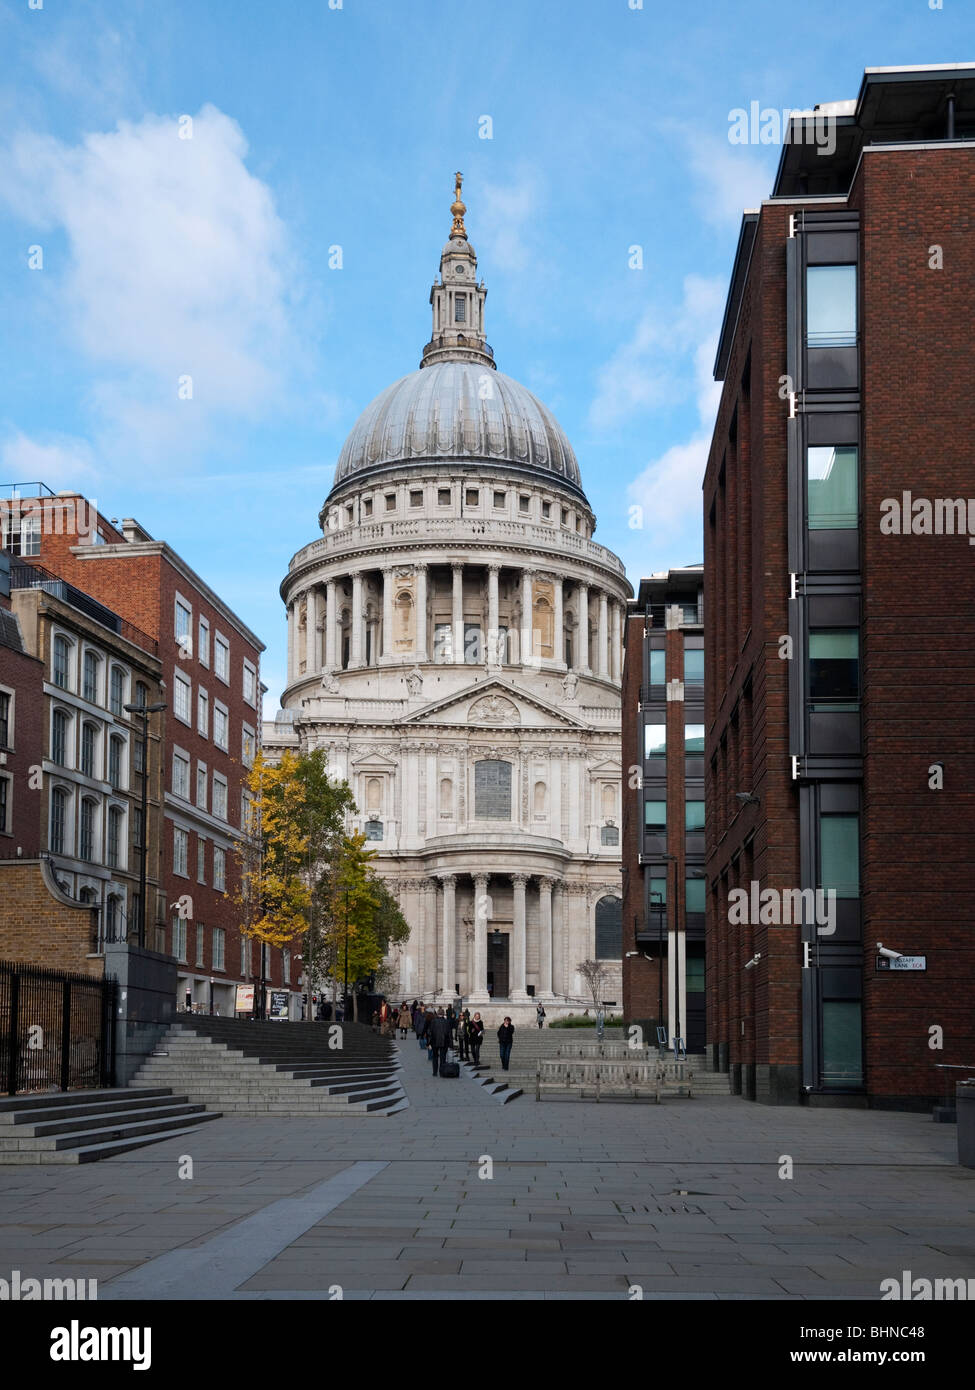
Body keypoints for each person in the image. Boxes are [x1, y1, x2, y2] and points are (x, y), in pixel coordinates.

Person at [428, 1007, 451, 1077]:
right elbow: (449, 1033)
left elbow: (430, 1033)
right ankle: (441, 1072)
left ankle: (435, 1072)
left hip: (434, 1041)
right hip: (444, 1042)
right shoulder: (447, 1021)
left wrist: (429, 1043)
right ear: (443, 1014)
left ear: (437, 1014)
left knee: (435, 1057)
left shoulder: (433, 1021)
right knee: (442, 1058)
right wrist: (450, 1044)